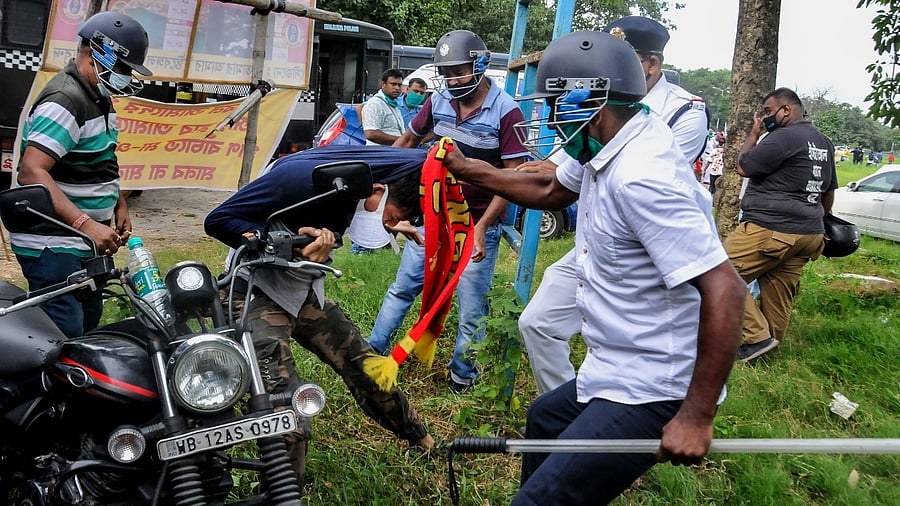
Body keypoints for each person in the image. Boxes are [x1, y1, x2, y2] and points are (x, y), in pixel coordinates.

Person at [441, 30, 745, 504]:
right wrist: (468, 169)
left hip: (655, 387)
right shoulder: (606, 143)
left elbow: (727, 289)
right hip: (615, 365)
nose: (551, 117)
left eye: (557, 104)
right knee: (545, 419)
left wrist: (696, 414)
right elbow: (548, 191)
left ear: (590, 100)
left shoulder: (644, 178)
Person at [204, 146, 435, 481]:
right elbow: (218, 220)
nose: (398, 222)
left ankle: (421, 438)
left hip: (302, 291)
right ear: (379, 189)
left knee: (367, 365)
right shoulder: (298, 182)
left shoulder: (351, 185)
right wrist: (287, 243)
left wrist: (395, 225)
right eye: (402, 214)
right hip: (255, 291)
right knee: (283, 401)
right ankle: (285, 488)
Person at [517, 15, 711, 395]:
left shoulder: (684, 111)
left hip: (644, 249)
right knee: (538, 322)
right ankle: (569, 409)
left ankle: (613, 412)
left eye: (620, 57)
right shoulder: (597, 100)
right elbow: (565, 168)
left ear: (651, 64)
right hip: (595, 236)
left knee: (621, 344)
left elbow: (625, 168)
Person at [365, 30, 528, 392]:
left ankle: (462, 376)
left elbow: (514, 177)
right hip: (434, 217)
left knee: (472, 306)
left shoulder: (506, 111)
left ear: (481, 66)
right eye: (447, 73)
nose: (453, 80)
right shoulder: (436, 101)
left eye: (460, 72)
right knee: (404, 287)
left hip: (476, 221)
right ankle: (370, 352)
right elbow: (408, 141)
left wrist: (484, 227)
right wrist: (388, 182)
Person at [11, 11, 152, 338]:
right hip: (52, 243)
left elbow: (101, 157)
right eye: (121, 67)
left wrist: (118, 203)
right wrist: (85, 223)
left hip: (82, 244)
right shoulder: (65, 100)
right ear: (95, 52)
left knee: (89, 323)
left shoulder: (100, 98)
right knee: (65, 334)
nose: (125, 76)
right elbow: (31, 171)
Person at [725, 88, 837, 362]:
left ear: (785, 110)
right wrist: (815, 219)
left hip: (771, 228)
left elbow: (744, 166)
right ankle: (766, 350)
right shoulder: (823, 142)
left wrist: (753, 135)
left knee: (718, 274)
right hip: (810, 233)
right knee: (778, 290)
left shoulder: (783, 137)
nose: (764, 118)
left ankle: (757, 338)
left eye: (767, 111)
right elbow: (829, 190)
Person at [362, 68, 406, 146]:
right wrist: (402, 140)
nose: (397, 88)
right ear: (383, 84)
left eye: (399, 85)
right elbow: (371, 134)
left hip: (393, 152)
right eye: (393, 84)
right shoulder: (375, 104)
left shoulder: (392, 104)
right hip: (380, 154)